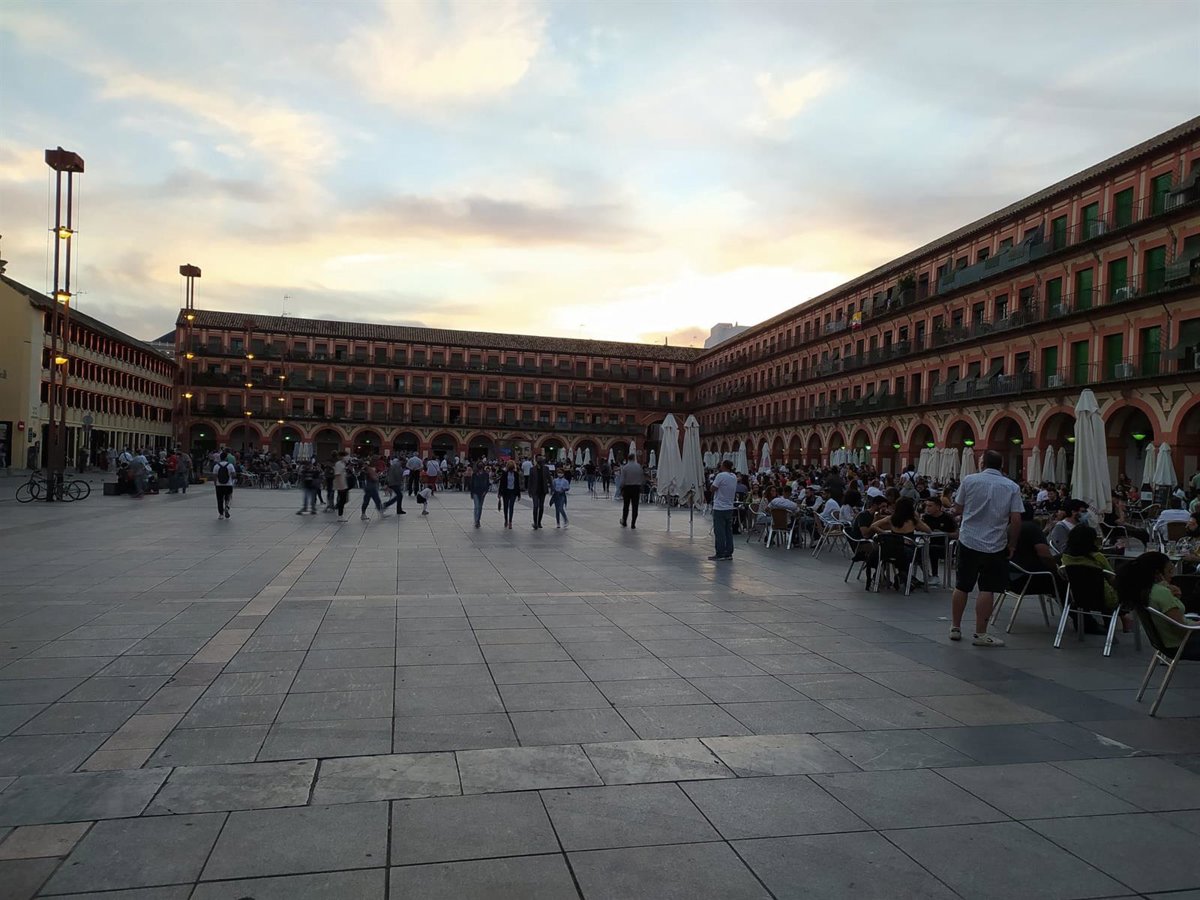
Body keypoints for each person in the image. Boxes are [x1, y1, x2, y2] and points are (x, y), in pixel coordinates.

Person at [950, 449, 1023, 647]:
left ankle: (955, 627)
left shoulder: (969, 480)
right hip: (995, 544)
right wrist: (1012, 544)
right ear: (1001, 465)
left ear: (982, 464)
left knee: (962, 585)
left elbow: (958, 508)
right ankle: (981, 633)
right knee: (987, 588)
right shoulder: (1012, 486)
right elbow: (1016, 519)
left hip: (969, 540)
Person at [1117, 551, 1198, 659]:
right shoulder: (1162, 593)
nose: (1172, 575)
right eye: (1169, 571)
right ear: (1157, 574)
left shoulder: (1145, 591)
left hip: (1165, 644)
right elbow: (1182, 628)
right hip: (1182, 644)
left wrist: (1173, 597)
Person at [1060, 524, 1119, 623]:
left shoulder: (1066, 558)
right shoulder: (1097, 557)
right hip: (1103, 598)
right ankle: (1119, 619)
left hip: (1077, 597)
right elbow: (1113, 579)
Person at [922, 496, 959, 586]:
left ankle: (935, 575)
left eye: (930, 506)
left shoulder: (947, 518)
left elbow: (957, 534)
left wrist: (944, 533)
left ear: (938, 507)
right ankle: (926, 574)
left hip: (946, 546)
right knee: (917, 550)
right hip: (928, 543)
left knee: (932, 549)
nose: (927, 508)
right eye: (926, 506)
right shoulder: (926, 518)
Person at [709, 459, 737, 561]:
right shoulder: (734, 476)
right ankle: (728, 553)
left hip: (719, 507)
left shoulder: (720, 476)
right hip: (729, 507)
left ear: (724, 466)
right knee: (728, 531)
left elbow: (712, 488)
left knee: (719, 531)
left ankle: (720, 553)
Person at [620, 453, 645, 529]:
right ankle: (633, 523)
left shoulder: (625, 467)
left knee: (626, 506)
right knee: (635, 506)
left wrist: (621, 488)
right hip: (636, 488)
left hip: (627, 488)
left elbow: (622, 480)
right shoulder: (638, 467)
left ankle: (624, 521)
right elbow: (642, 477)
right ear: (634, 458)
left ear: (628, 458)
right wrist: (641, 486)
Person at [360, 455, 385, 521]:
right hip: (371, 487)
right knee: (376, 500)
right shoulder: (369, 468)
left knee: (366, 501)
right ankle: (381, 513)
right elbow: (374, 478)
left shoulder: (371, 468)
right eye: (376, 460)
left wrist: (377, 475)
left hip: (369, 486)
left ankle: (363, 514)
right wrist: (377, 476)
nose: (377, 461)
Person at [529, 456, 552, 529]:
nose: (541, 462)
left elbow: (549, 479)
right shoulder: (532, 469)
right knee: (535, 506)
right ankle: (535, 523)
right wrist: (529, 491)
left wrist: (552, 488)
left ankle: (539, 522)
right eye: (540, 461)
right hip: (535, 491)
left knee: (541, 507)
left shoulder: (546, 468)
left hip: (543, 490)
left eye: (542, 461)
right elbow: (530, 481)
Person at [498, 460, 521, 528]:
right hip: (506, 492)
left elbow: (517, 484)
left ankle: (510, 521)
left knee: (511, 507)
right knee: (505, 507)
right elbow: (501, 483)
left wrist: (519, 494)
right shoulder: (504, 473)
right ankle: (506, 520)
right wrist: (499, 493)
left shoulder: (516, 474)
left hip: (513, 492)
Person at [213, 452, 236, 519]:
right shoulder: (230, 465)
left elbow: (214, 476)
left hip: (219, 485)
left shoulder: (216, 466)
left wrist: (215, 484)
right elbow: (234, 475)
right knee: (228, 497)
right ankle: (227, 507)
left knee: (219, 499)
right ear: (226, 458)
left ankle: (221, 514)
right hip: (228, 485)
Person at [468, 463, 490, 528]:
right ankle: (476, 521)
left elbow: (487, 484)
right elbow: (472, 483)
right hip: (475, 492)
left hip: (482, 492)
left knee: (480, 507)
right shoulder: (474, 474)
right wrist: (471, 493)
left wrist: (485, 491)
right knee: (477, 506)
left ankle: (478, 520)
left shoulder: (486, 474)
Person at [332, 451, 350, 522]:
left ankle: (340, 514)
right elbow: (337, 475)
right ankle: (340, 515)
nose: (348, 458)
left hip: (344, 484)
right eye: (346, 456)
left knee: (344, 500)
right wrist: (340, 486)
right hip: (341, 485)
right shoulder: (339, 464)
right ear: (342, 456)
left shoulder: (343, 464)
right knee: (342, 500)